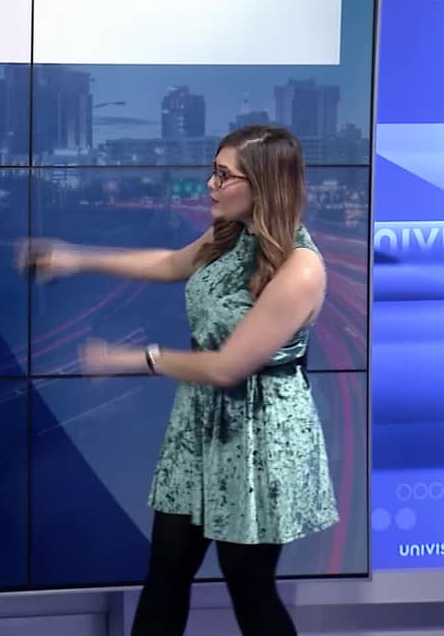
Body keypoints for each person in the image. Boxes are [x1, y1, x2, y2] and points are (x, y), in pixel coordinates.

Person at [23, 124, 338, 636]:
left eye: (223, 175)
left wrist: (131, 359)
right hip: (200, 426)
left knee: (248, 582)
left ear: (263, 185)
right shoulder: (231, 235)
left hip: (258, 437)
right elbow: (171, 264)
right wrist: (76, 258)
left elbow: (226, 367)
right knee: (167, 568)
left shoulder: (301, 270)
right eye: (213, 171)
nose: (210, 185)